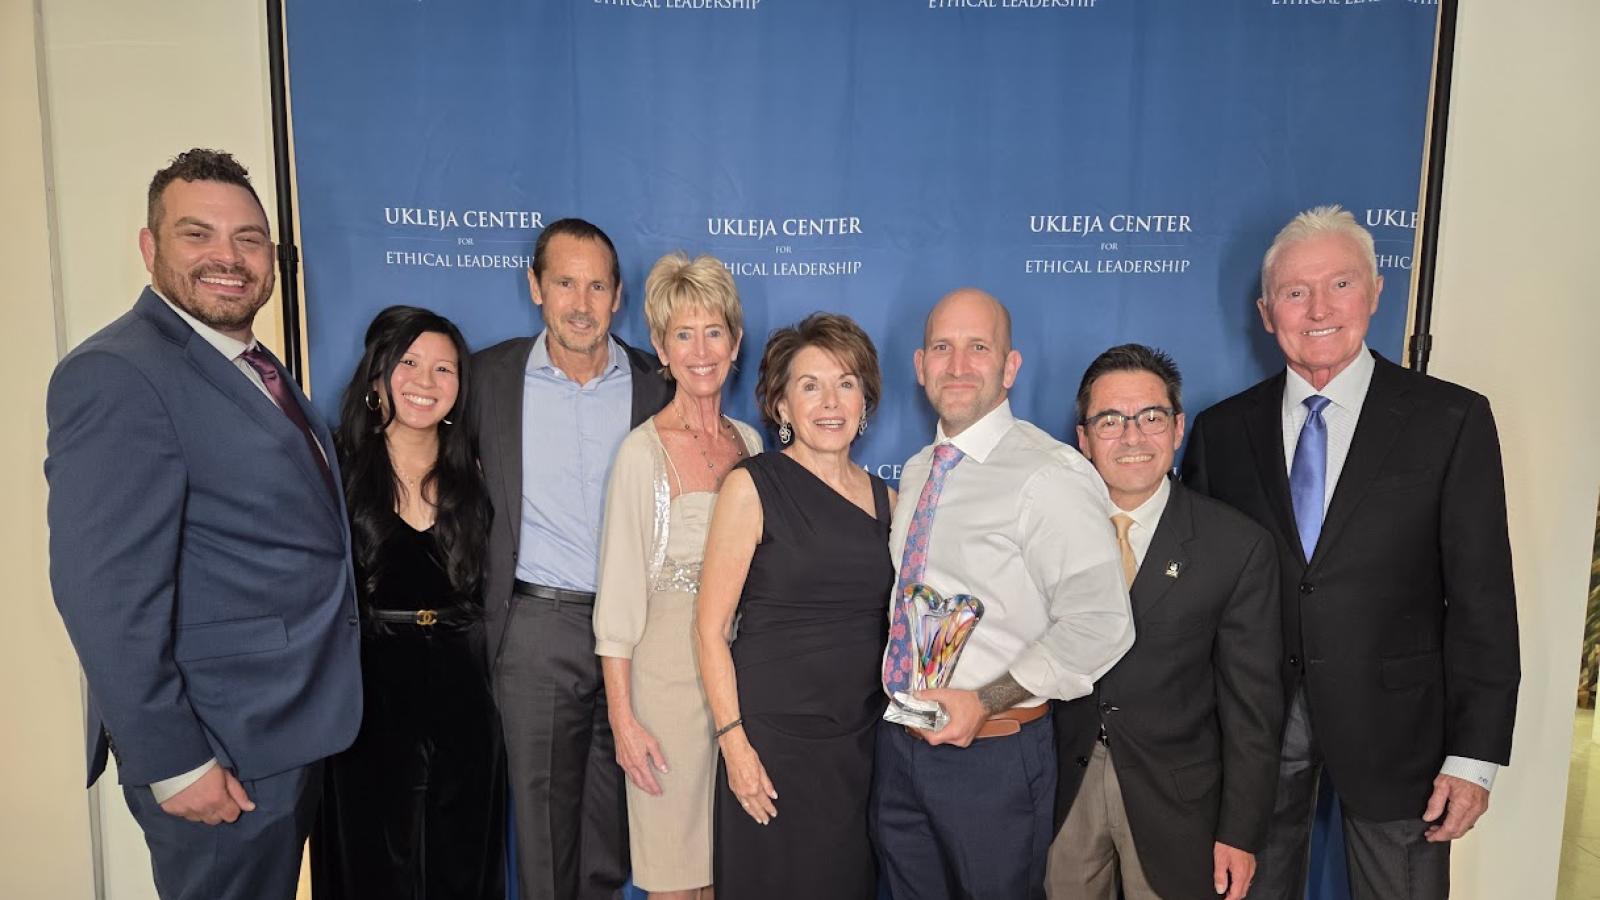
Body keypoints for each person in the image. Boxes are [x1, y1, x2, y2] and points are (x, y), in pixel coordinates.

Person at [44, 148, 362, 900]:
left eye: (249, 238)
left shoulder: (250, 363)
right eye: (199, 235)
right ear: (150, 248)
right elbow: (102, 592)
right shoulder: (121, 374)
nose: (228, 256)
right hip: (217, 747)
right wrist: (172, 760)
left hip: (282, 730)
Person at [1182, 205, 1519, 899]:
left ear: (1373, 292)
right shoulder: (1221, 432)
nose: (1318, 309)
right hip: (1256, 734)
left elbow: (1484, 597)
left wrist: (1475, 756)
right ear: (1267, 311)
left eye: (1340, 285)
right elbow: (1201, 603)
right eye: (1295, 293)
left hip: (1405, 739)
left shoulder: (1451, 420)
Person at [869, 288, 1135, 900]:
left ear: (1010, 366)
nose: (958, 365)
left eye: (978, 347)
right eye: (943, 347)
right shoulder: (917, 471)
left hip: (994, 757)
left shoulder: (1049, 474)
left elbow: (1100, 624)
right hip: (901, 746)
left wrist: (985, 700)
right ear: (919, 365)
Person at [471, 218, 673, 900]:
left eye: (596, 286)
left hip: (639, 639)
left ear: (618, 296)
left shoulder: (657, 385)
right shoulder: (487, 379)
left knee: (612, 831)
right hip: (537, 629)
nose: (580, 304)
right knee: (543, 833)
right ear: (535, 286)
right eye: (564, 283)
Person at [1047, 344, 1283, 900]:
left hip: (1179, 806)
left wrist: (1241, 832)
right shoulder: (1045, 531)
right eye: (1110, 420)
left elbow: (1255, 709)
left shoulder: (1236, 546)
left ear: (1178, 428)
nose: (1132, 437)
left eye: (1150, 417)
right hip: (1064, 790)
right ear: (1083, 438)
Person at [695, 313, 894, 899]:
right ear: (782, 406)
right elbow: (709, 630)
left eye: (847, 382)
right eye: (810, 385)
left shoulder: (894, 501)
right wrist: (735, 746)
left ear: (866, 401)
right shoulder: (751, 486)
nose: (831, 401)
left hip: (858, 749)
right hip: (770, 747)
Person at [312, 306, 503, 898]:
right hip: (370, 685)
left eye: (444, 369)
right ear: (377, 378)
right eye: (410, 363)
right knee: (375, 859)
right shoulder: (335, 470)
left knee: (463, 856)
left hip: (464, 684)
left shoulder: (478, 474)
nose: (426, 382)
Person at [592, 253, 762, 899]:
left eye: (713, 331)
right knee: (674, 876)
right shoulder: (643, 452)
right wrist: (624, 720)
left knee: (731, 869)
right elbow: (618, 602)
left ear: (735, 342)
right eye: (682, 334)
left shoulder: (749, 441)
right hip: (664, 687)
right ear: (660, 348)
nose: (699, 350)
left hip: (744, 682)